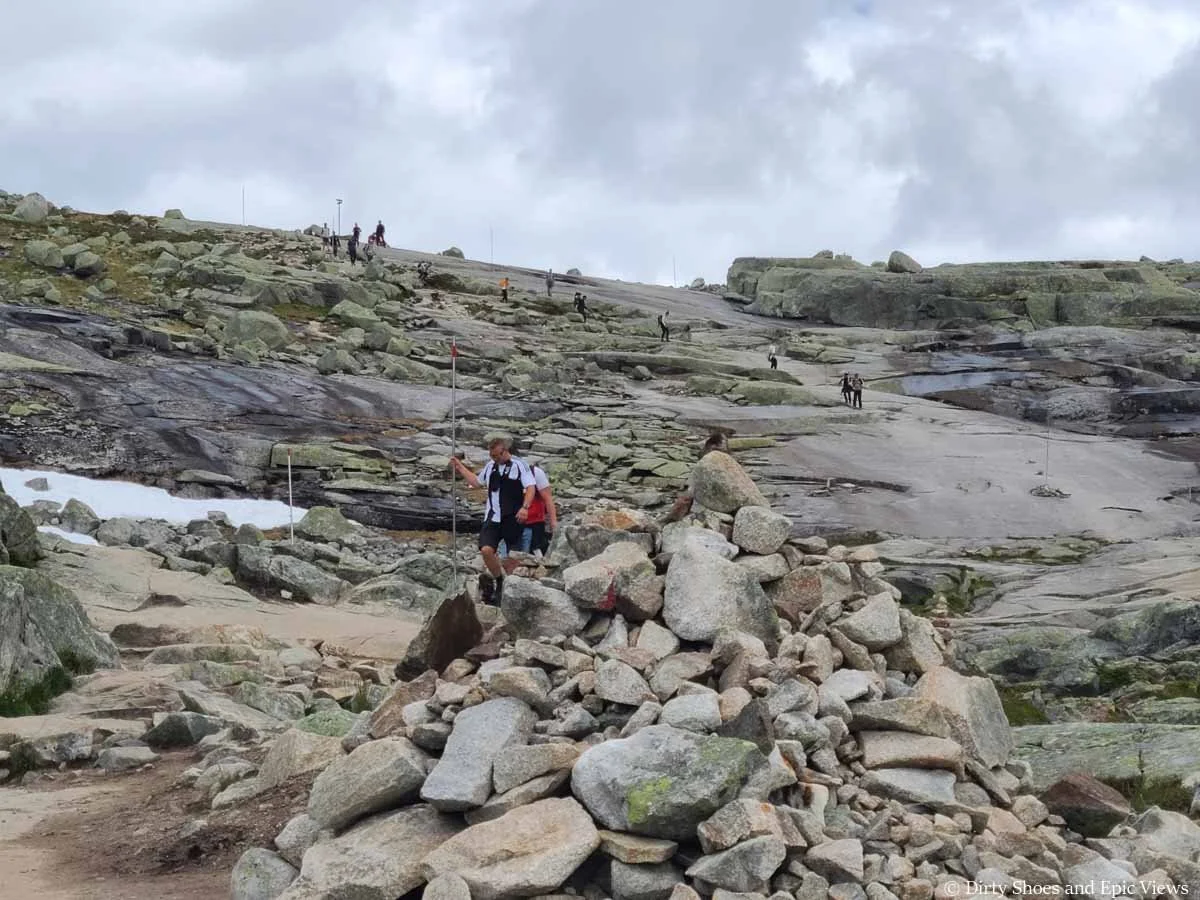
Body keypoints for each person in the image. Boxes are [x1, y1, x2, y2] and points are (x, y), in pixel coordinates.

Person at [448, 437, 536, 604]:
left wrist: (525, 507)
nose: (494, 459)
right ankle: (499, 579)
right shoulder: (490, 467)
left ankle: (511, 590)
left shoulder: (519, 465)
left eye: (496, 455)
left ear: (505, 451)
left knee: (513, 556)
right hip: (493, 517)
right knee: (486, 550)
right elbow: (476, 482)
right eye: (492, 456)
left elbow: (530, 487)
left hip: (513, 517)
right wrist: (460, 467)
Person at [519, 460, 558, 556]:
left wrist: (553, 523)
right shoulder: (505, 472)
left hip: (535, 522)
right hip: (514, 520)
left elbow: (548, 498)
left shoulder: (535, 472)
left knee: (536, 548)